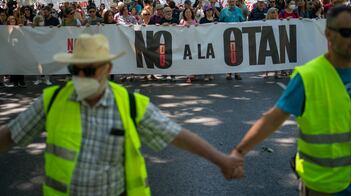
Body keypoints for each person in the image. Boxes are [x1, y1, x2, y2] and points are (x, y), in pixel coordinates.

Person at [0, 34, 243, 195]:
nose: (81, 77)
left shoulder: (130, 105)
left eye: (90, 69)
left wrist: (222, 160)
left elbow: (176, 135)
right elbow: (11, 134)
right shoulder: (51, 100)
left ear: (108, 69)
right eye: (76, 69)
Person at [229, 5, 351, 195]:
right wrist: (239, 151)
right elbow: (273, 119)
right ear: (329, 35)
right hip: (322, 186)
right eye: (347, 32)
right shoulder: (308, 76)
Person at [219, 0, 245, 81]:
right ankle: (228, 73)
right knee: (228, 54)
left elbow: (243, 21)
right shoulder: (223, 11)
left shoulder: (238, 10)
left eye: (233, 2)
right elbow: (220, 22)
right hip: (227, 36)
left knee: (237, 54)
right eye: (230, 2)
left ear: (235, 2)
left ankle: (237, 73)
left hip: (237, 35)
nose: (231, 3)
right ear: (227, 2)